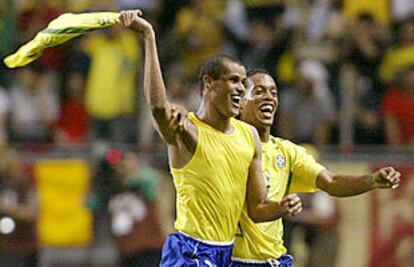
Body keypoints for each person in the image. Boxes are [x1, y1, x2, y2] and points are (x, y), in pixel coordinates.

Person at [120, 10, 302, 267]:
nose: (241, 88)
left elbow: (258, 207)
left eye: (243, 83)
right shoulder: (189, 131)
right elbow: (159, 108)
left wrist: (282, 207)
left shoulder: (248, 135)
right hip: (190, 252)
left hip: (225, 254)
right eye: (233, 80)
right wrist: (149, 37)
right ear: (209, 83)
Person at [230, 68, 401, 266]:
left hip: (271, 260)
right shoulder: (224, 146)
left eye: (273, 92)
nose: (269, 97)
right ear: (240, 102)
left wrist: (371, 180)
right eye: (259, 91)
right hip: (229, 258)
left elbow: (331, 182)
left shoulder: (287, 152)